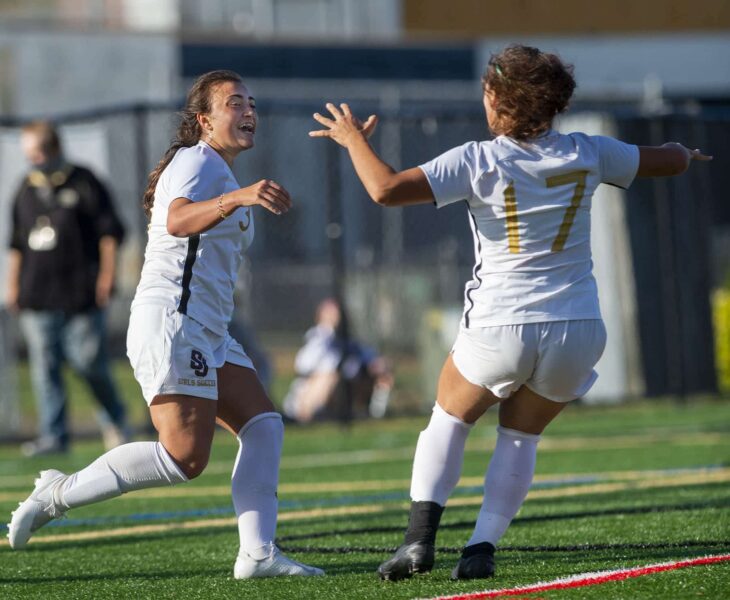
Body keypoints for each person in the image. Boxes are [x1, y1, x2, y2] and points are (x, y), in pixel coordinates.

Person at [309, 44, 712, 581]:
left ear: (500, 101)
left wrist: (353, 139)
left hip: (502, 323)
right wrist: (685, 152)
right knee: (520, 437)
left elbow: (384, 189)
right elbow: (669, 159)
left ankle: (418, 542)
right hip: (577, 327)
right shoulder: (590, 151)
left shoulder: (478, 158)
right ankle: (480, 547)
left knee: (449, 421)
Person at [8, 70, 324, 579]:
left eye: (251, 103)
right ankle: (57, 493)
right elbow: (177, 220)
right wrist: (238, 199)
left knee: (264, 426)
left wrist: (237, 198)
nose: (248, 111)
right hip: (174, 322)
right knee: (184, 459)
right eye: (234, 103)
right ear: (204, 120)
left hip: (209, 329)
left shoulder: (218, 170)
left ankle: (258, 555)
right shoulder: (196, 159)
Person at [5, 121, 130, 456]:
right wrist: (12, 285)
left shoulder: (85, 181)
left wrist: (107, 275)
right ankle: (54, 436)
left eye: (37, 154)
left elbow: (109, 233)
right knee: (45, 367)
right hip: (37, 293)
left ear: (55, 149)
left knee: (88, 360)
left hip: (81, 292)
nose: (33, 161)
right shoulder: (25, 189)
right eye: (29, 155)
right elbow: (16, 244)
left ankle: (115, 418)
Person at [282, 297, 393, 422]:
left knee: (380, 373)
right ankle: (308, 417)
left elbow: (369, 358)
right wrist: (328, 330)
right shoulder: (316, 338)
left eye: (336, 313)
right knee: (330, 377)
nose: (334, 317)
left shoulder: (348, 342)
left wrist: (376, 365)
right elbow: (303, 366)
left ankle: (374, 414)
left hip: (342, 393)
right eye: (329, 313)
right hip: (306, 396)